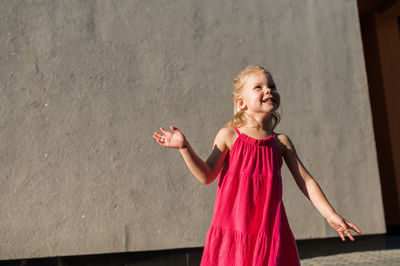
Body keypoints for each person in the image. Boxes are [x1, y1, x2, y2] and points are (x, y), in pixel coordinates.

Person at [153, 65, 362, 265]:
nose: (268, 90)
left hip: (269, 233)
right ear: (241, 103)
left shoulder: (281, 143)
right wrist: (184, 148)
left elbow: (306, 181)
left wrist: (330, 214)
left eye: (272, 86)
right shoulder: (229, 136)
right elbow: (206, 175)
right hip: (234, 232)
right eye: (259, 87)